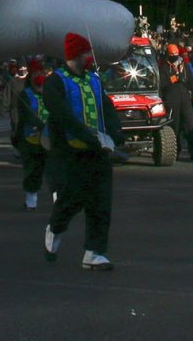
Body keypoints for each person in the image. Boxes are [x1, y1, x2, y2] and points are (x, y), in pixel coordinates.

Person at [43, 32, 124, 271]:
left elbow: (106, 107)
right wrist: (85, 135)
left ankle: (94, 251)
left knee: (101, 201)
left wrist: (115, 133)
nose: (90, 57)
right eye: (87, 52)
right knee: (72, 198)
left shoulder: (94, 80)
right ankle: (55, 228)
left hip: (97, 151)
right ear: (76, 55)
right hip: (70, 152)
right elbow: (61, 115)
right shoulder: (55, 81)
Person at [10, 57, 49, 209]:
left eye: (41, 73)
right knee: (33, 170)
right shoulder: (25, 94)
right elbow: (26, 115)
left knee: (54, 170)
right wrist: (40, 125)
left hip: (50, 139)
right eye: (35, 74)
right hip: (30, 140)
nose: (39, 77)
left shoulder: (50, 93)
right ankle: (31, 198)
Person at [160, 44, 193, 161]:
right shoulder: (164, 67)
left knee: (190, 124)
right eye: (172, 55)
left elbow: (191, 82)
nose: (174, 57)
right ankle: (176, 151)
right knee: (175, 126)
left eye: (176, 55)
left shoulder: (184, 66)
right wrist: (173, 79)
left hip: (185, 99)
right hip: (171, 100)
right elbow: (161, 84)